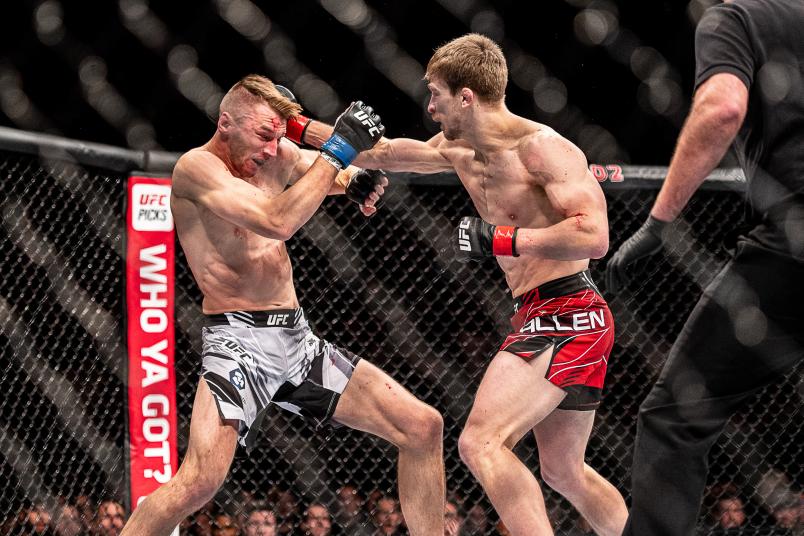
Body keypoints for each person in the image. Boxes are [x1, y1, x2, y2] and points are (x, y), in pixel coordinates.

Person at [296, 33, 627, 535]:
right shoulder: (459, 149)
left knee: (481, 442)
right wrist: (297, 126)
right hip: (549, 313)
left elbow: (595, 234)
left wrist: (502, 238)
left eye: (436, 95)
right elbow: (382, 154)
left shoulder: (543, 149)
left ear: (467, 96)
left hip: (568, 311)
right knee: (564, 471)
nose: (430, 109)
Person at [119, 75, 445, 536]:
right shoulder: (196, 169)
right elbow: (278, 219)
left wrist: (354, 179)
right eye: (262, 136)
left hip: (298, 342)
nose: (272, 151)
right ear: (226, 122)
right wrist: (339, 154)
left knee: (422, 427)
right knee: (198, 483)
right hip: (238, 344)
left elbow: (330, 168)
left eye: (278, 136)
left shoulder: (276, 152)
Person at [604, 1, 804, 534]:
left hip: (794, 243)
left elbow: (721, 108)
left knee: (674, 417)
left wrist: (658, 224)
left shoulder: (736, 19)